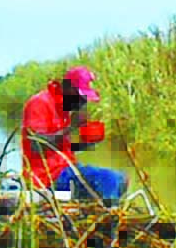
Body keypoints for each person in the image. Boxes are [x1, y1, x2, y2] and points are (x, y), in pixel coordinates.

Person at [20, 65, 126, 201]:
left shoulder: (64, 108)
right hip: (47, 177)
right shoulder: (39, 103)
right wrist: (70, 128)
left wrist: (84, 144)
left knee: (123, 179)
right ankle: (110, 211)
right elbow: (35, 145)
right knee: (110, 179)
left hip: (67, 170)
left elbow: (59, 148)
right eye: (80, 97)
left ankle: (103, 206)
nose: (82, 102)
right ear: (69, 88)